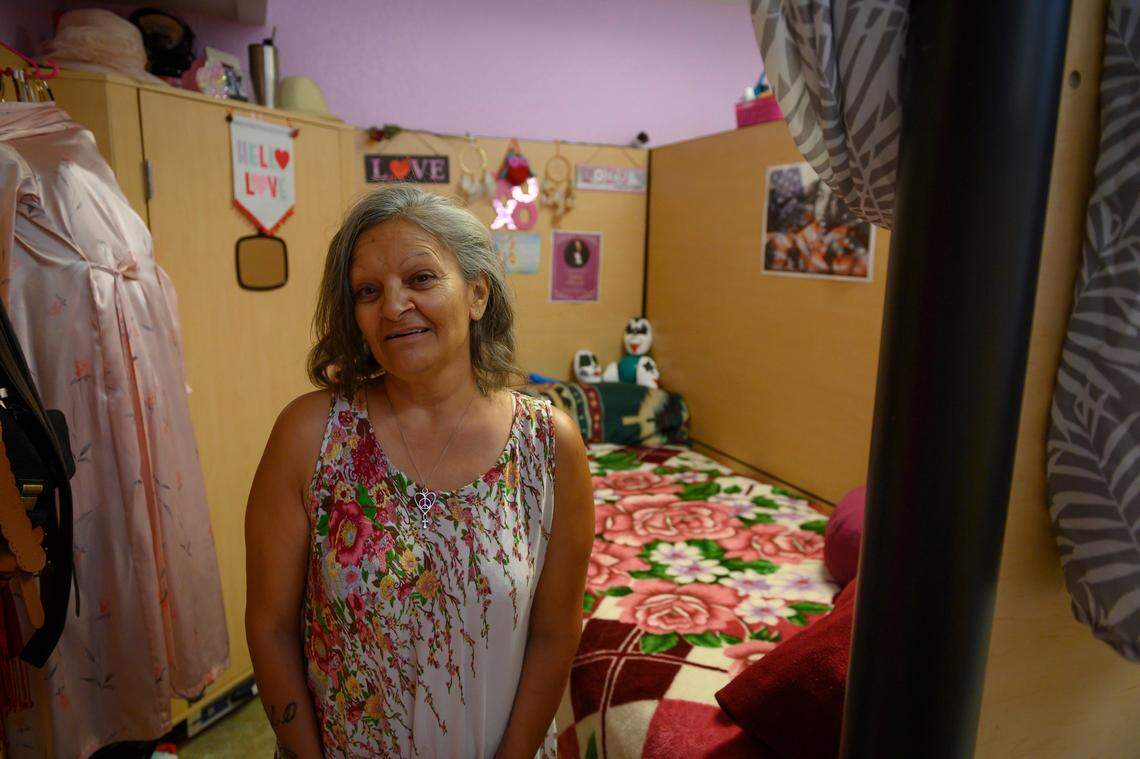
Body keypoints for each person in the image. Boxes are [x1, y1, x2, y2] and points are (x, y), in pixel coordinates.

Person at [245, 186, 595, 758]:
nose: (393, 306)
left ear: (477, 293)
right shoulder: (310, 436)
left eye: (422, 279)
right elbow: (271, 627)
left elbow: (555, 635)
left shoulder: (547, 445)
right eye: (368, 290)